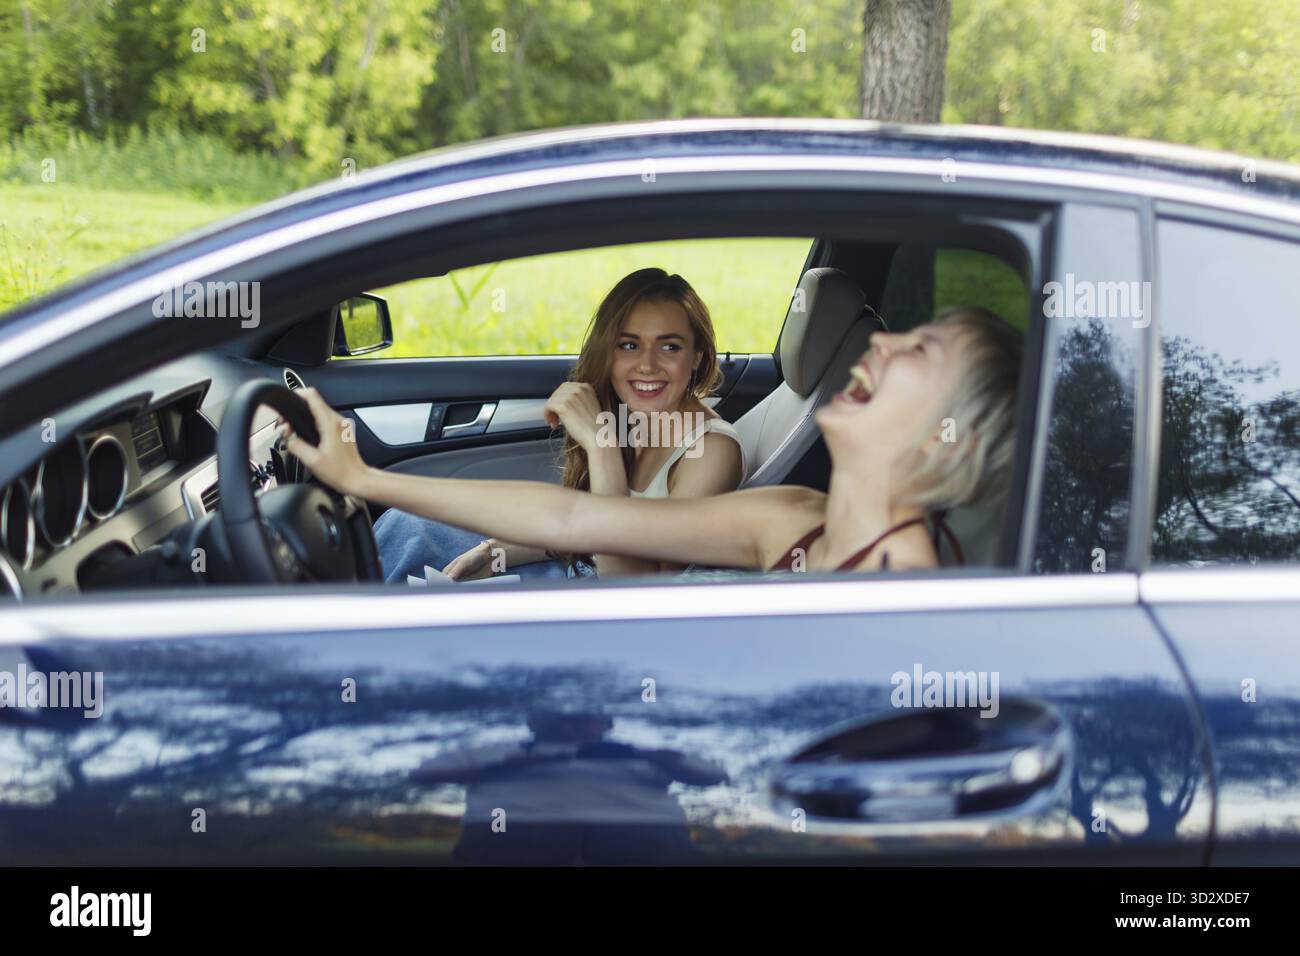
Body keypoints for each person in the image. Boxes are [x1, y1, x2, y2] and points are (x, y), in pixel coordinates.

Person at [287, 307, 1021, 576]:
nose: (884, 342)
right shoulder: (792, 514)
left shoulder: (917, 607)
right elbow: (575, 520)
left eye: (920, 353)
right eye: (628, 344)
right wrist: (365, 480)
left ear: (946, 446)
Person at [372, 267, 745, 583]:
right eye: (628, 345)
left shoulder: (711, 451)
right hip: (575, 563)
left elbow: (636, 591)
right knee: (406, 525)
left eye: (669, 347)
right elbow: (574, 527)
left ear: (697, 356)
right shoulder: (634, 416)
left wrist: (603, 449)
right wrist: (491, 553)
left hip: (599, 598)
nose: (646, 365)